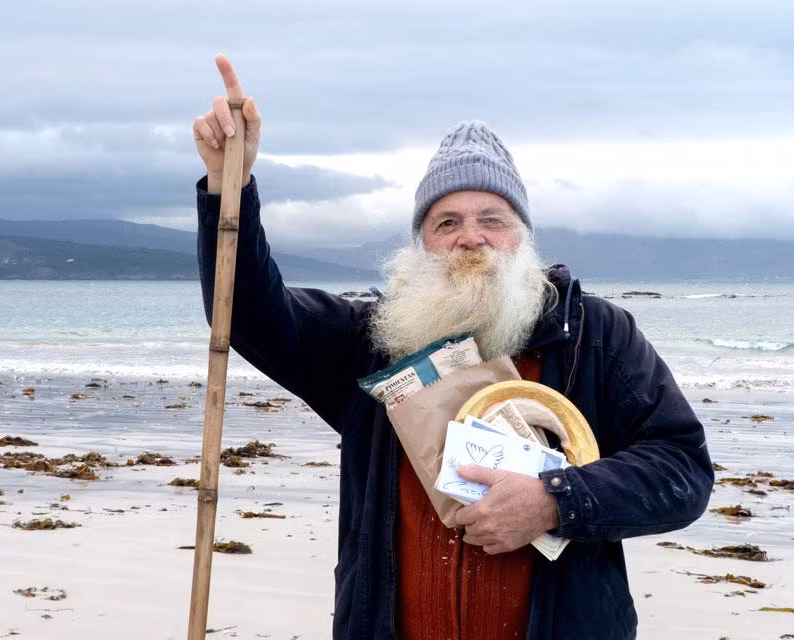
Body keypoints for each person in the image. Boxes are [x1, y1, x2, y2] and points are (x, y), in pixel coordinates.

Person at [193, 55, 713, 640]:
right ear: (421, 244)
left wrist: (556, 501)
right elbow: (249, 315)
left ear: (523, 237)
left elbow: (682, 470)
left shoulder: (596, 335)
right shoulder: (372, 341)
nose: (472, 237)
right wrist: (229, 184)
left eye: (493, 218)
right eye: (447, 223)